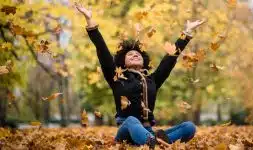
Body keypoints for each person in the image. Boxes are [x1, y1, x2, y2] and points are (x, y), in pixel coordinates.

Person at [75, 2, 204, 149]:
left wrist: (186, 33)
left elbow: (169, 60)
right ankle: (154, 143)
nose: (135, 54)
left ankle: (152, 142)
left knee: (189, 127)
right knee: (131, 120)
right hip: (126, 131)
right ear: (123, 62)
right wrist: (89, 21)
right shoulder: (116, 78)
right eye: (130, 54)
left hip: (148, 131)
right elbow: (102, 50)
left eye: (137, 54)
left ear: (144, 61)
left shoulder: (152, 80)